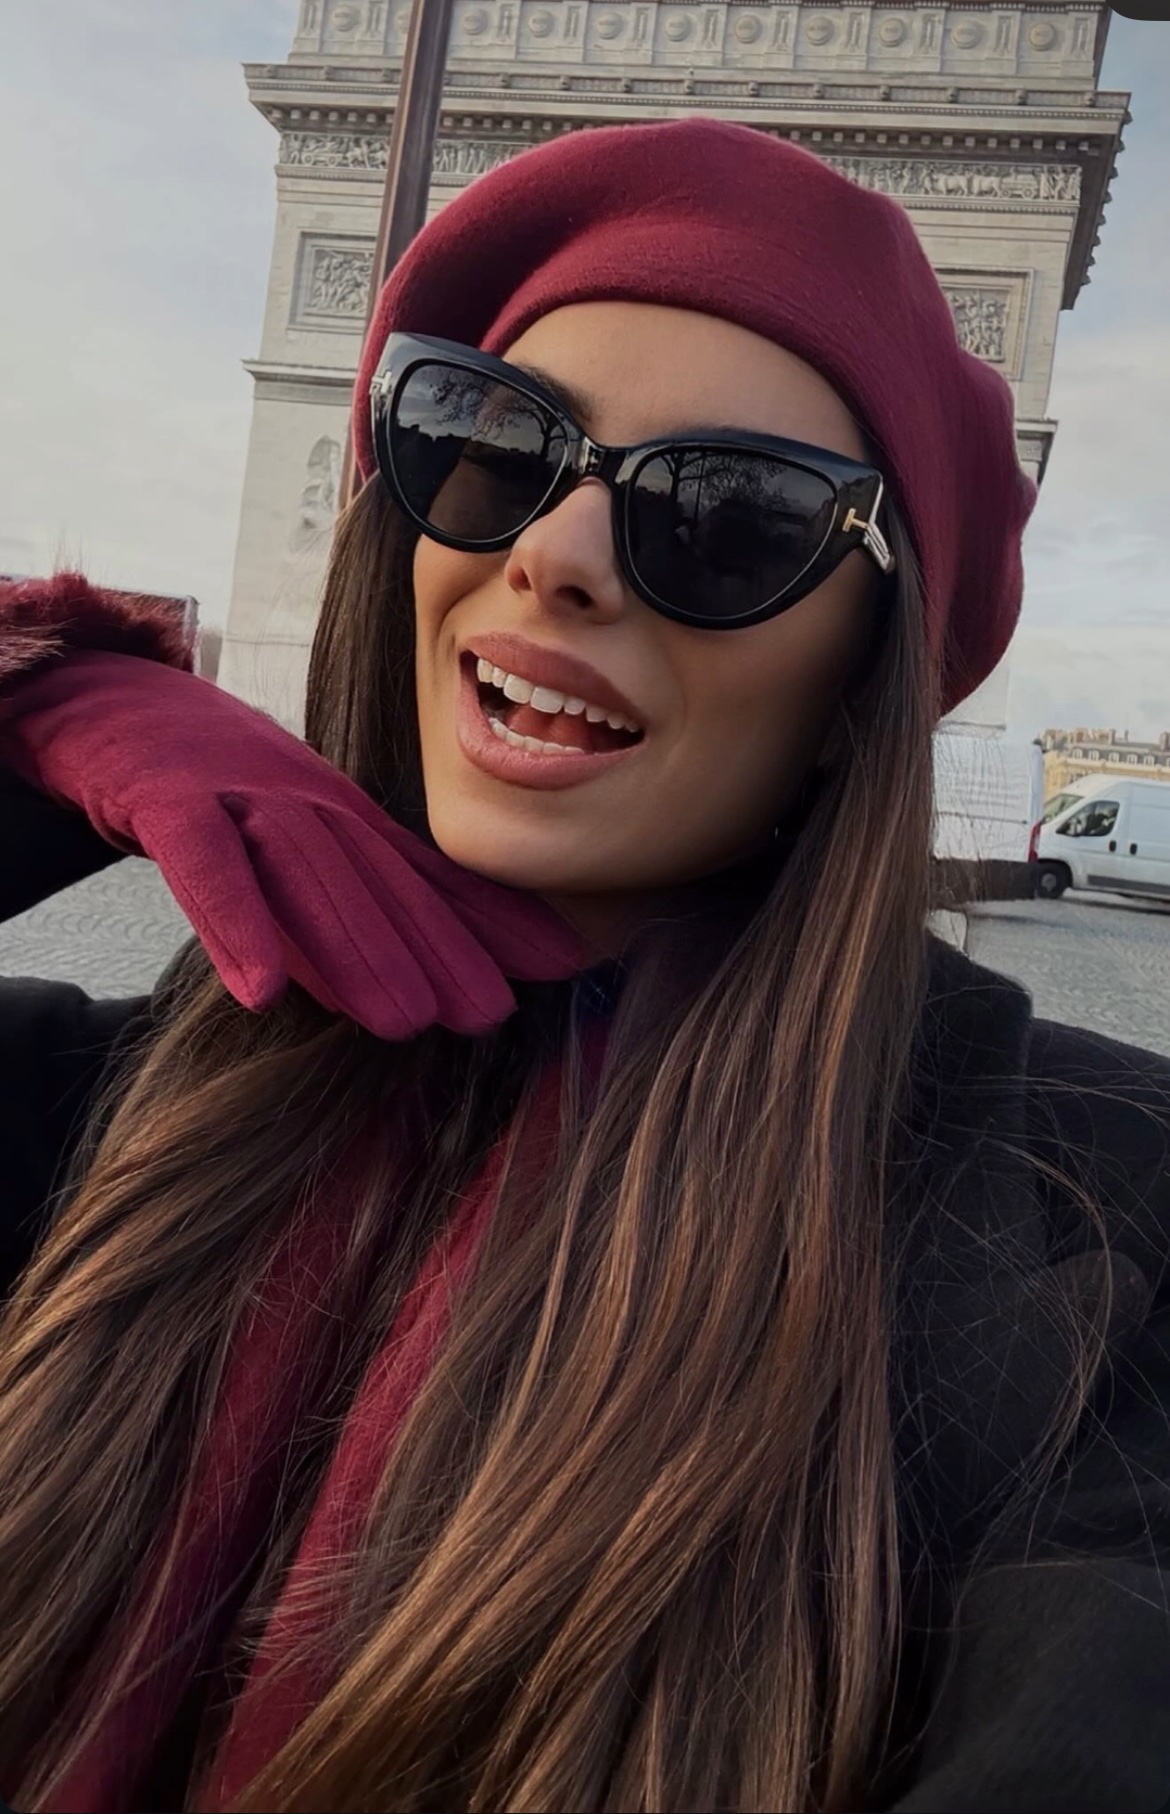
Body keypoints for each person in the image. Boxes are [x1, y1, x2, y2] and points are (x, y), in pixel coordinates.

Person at [1, 118, 1168, 1814]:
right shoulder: (96, 1109)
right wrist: (35, 701)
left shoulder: (1098, 1233)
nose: (554, 553)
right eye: (488, 442)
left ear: (862, 680)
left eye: (730, 516)